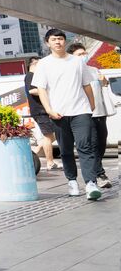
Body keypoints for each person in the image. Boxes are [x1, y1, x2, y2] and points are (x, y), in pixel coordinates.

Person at [32, 29, 101, 200]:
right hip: (58, 113)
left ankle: (91, 183)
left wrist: (91, 105)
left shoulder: (77, 61)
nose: (58, 42)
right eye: (54, 39)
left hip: (81, 110)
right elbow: (41, 89)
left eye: (61, 39)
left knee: (85, 146)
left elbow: (86, 84)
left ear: (65, 41)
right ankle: (72, 181)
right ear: (48, 43)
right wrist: (49, 110)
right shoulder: (44, 64)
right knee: (66, 150)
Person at [67, 42, 113, 189]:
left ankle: (97, 172)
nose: (83, 56)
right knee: (91, 145)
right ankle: (99, 174)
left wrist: (104, 82)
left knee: (101, 144)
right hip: (84, 114)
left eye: (84, 53)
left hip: (100, 112)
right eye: (79, 54)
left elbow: (103, 86)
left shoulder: (94, 70)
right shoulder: (72, 72)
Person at [24, 56, 59, 171]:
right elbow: (32, 90)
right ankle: (50, 162)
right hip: (40, 111)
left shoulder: (35, 76)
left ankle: (35, 151)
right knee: (48, 136)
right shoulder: (30, 76)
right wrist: (46, 90)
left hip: (42, 111)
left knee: (52, 136)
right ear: (34, 64)